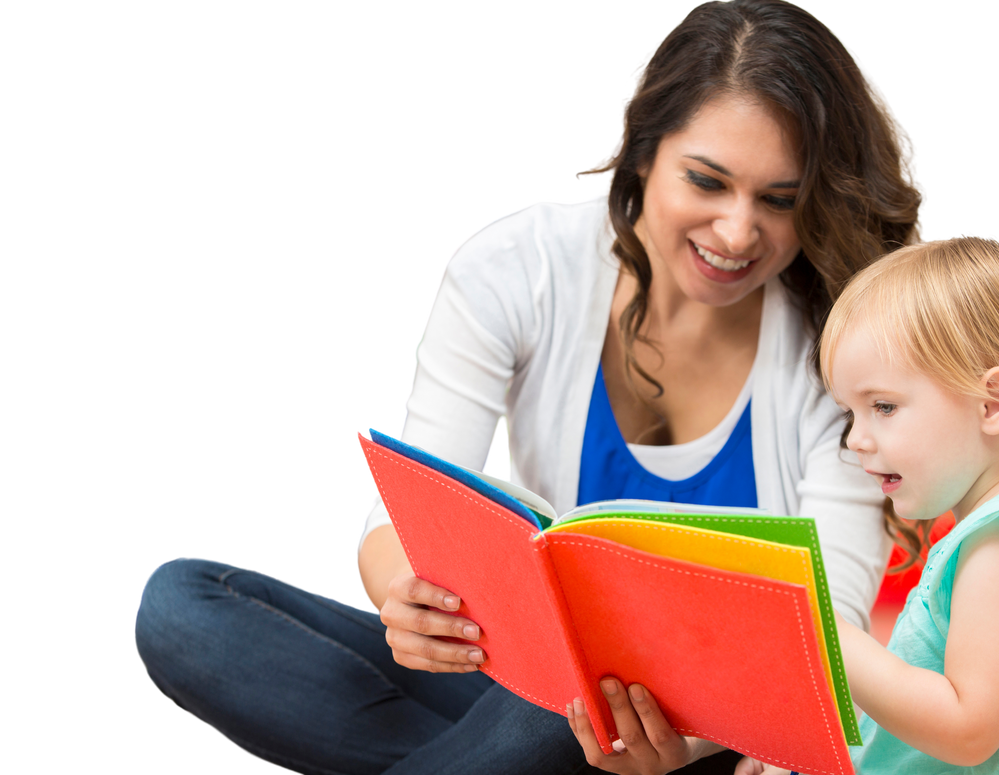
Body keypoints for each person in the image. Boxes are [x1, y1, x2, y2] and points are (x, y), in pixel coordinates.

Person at [133, 1, 923, 773]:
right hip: (514, 679)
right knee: (182, 607)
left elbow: (828, 640)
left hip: (701, 733)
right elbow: (407, 516)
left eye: (778, 200)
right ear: (645, 153)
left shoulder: (839, 350)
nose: (739, 231)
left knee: (588, 685)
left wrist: (685, 742)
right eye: (708, 182)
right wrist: (404, 597)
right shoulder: (518, 263)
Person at [736, 234, 999, 775]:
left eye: (882, 406)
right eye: (851, 414)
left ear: (993, 402)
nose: (855, 439)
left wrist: (824, 629)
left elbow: (966, 732)